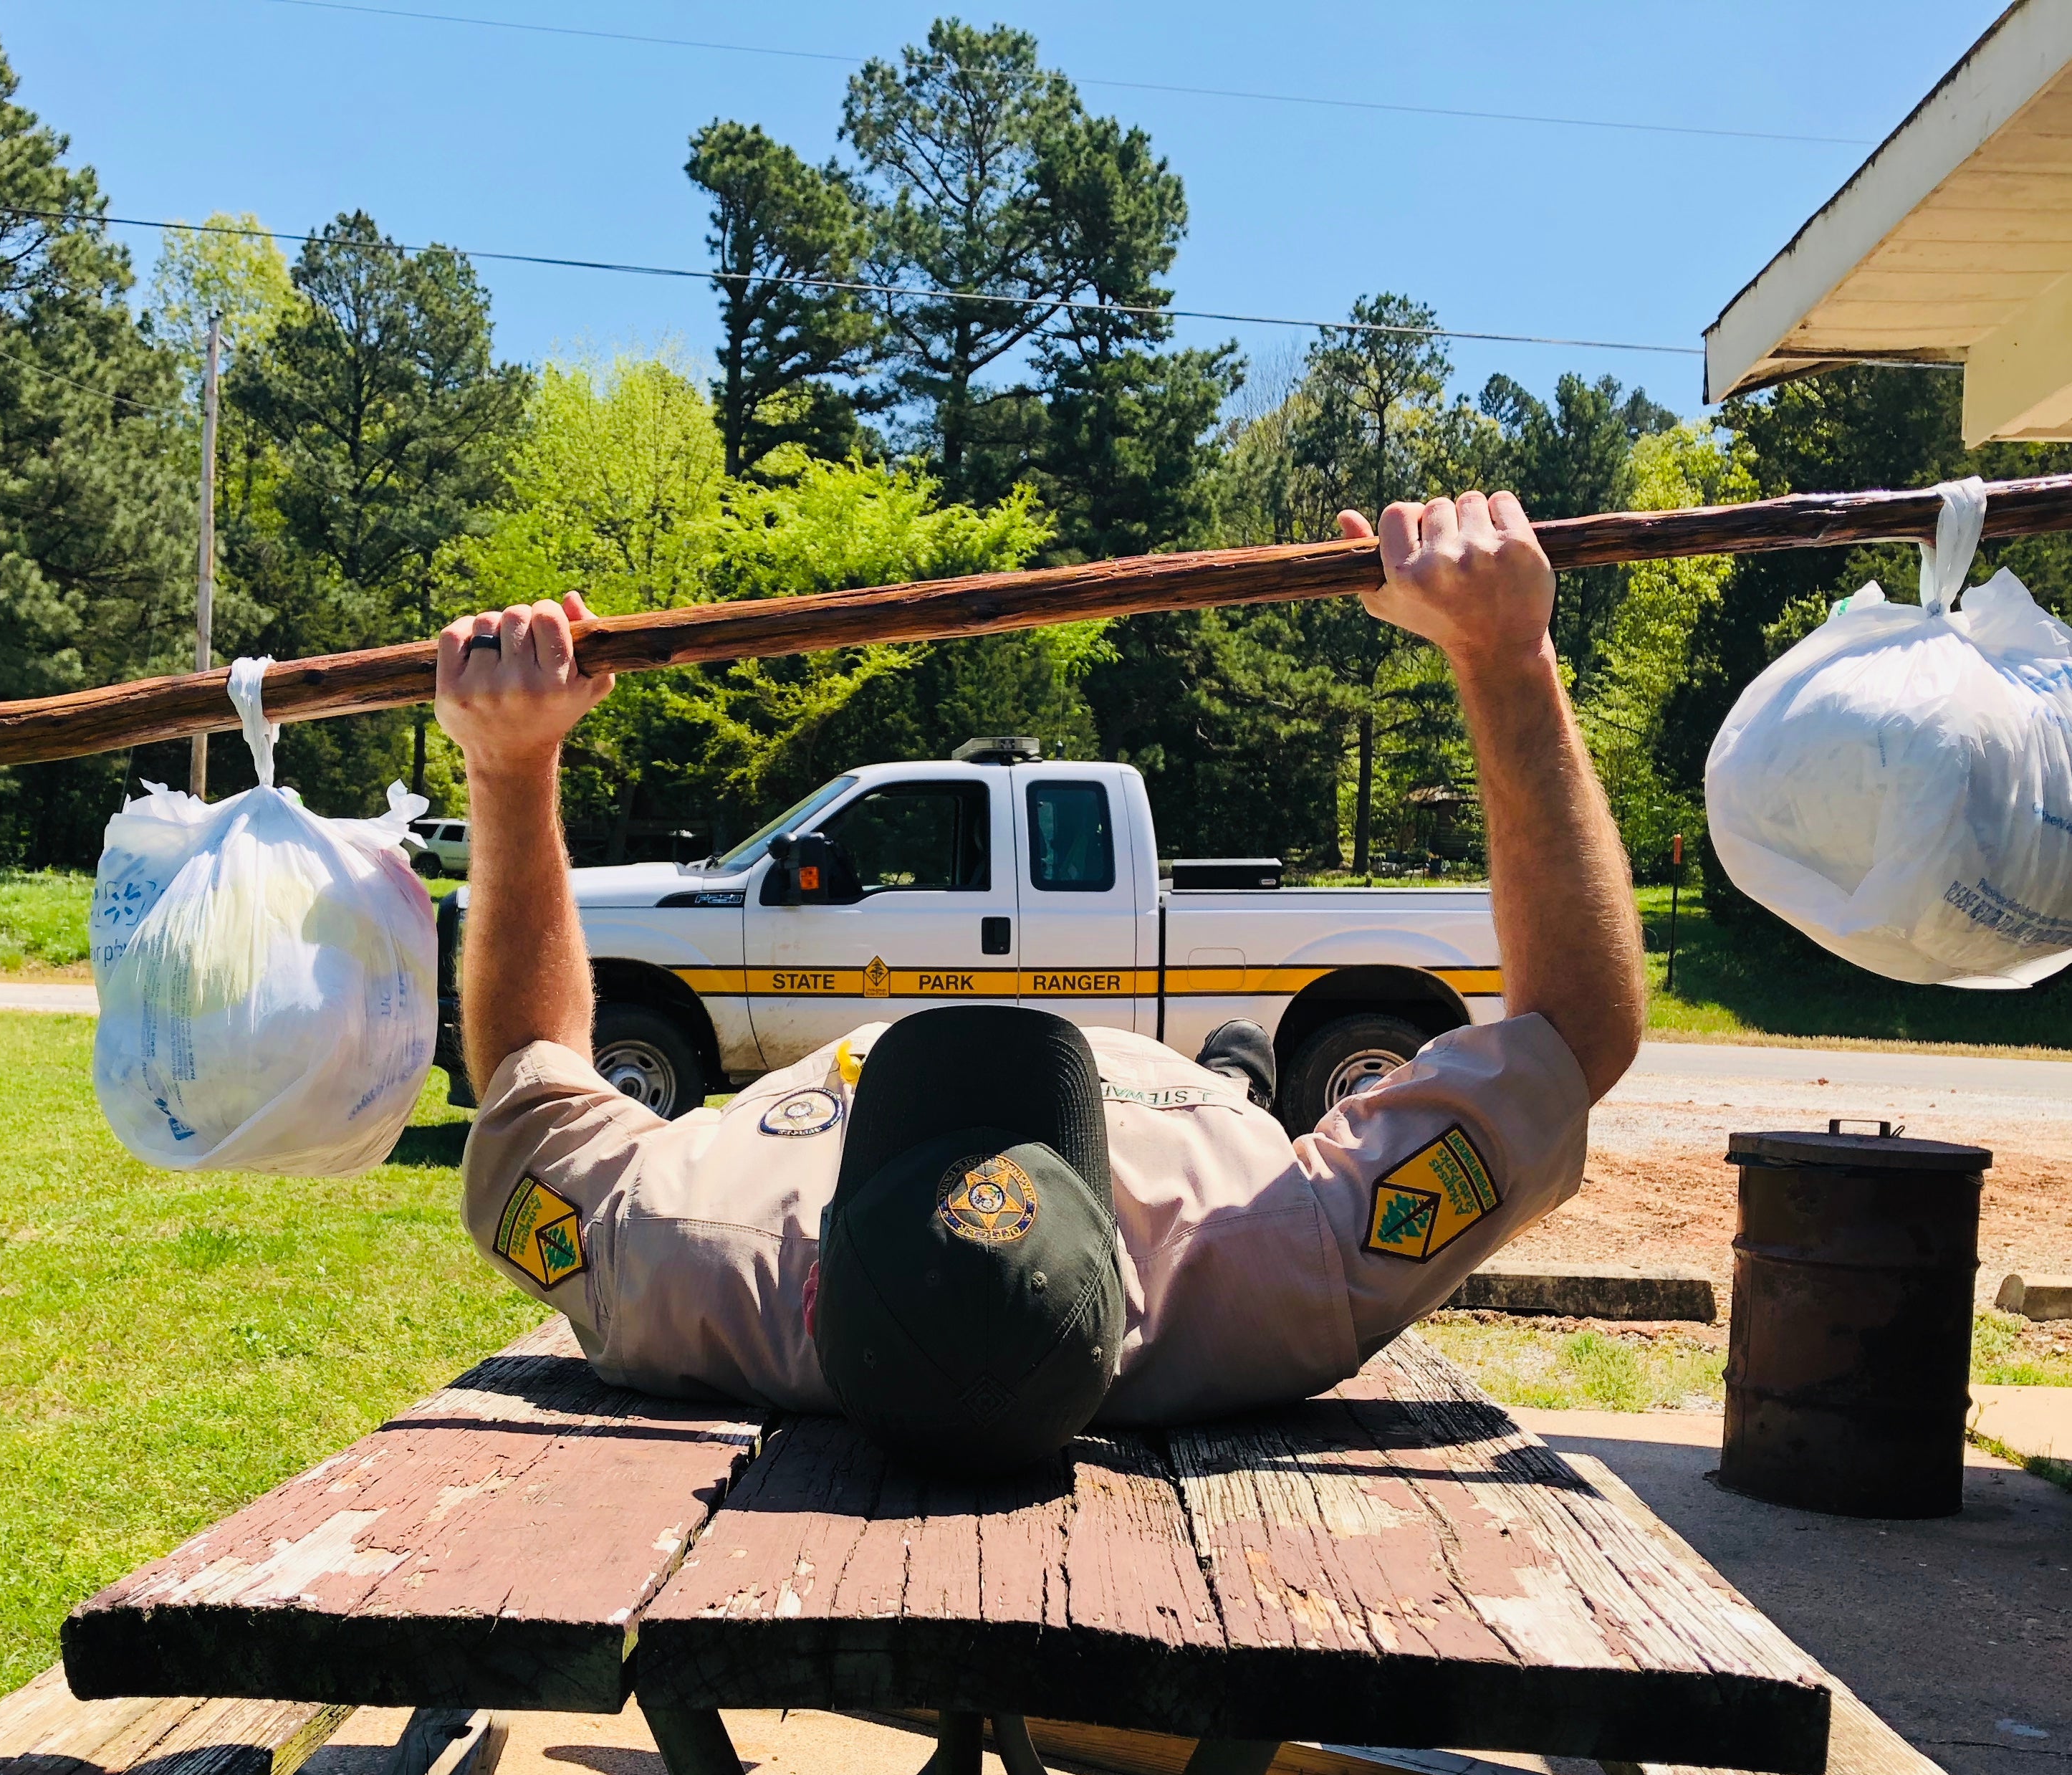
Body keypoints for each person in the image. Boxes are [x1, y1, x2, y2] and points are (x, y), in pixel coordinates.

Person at [436, 491, 1644, 1470]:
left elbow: (526, 1086)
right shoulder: (1265, 1267)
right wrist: (1507, 657)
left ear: (809, 1297)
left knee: (1226, 1096)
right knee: (1229, 1103)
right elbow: (1573, 1036)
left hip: (1048, 1152)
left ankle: (1228, 1078)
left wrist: (508, 764)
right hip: (1185, 1123)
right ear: (1125, 1292)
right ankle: (1232, 1081)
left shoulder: (700, 1257)